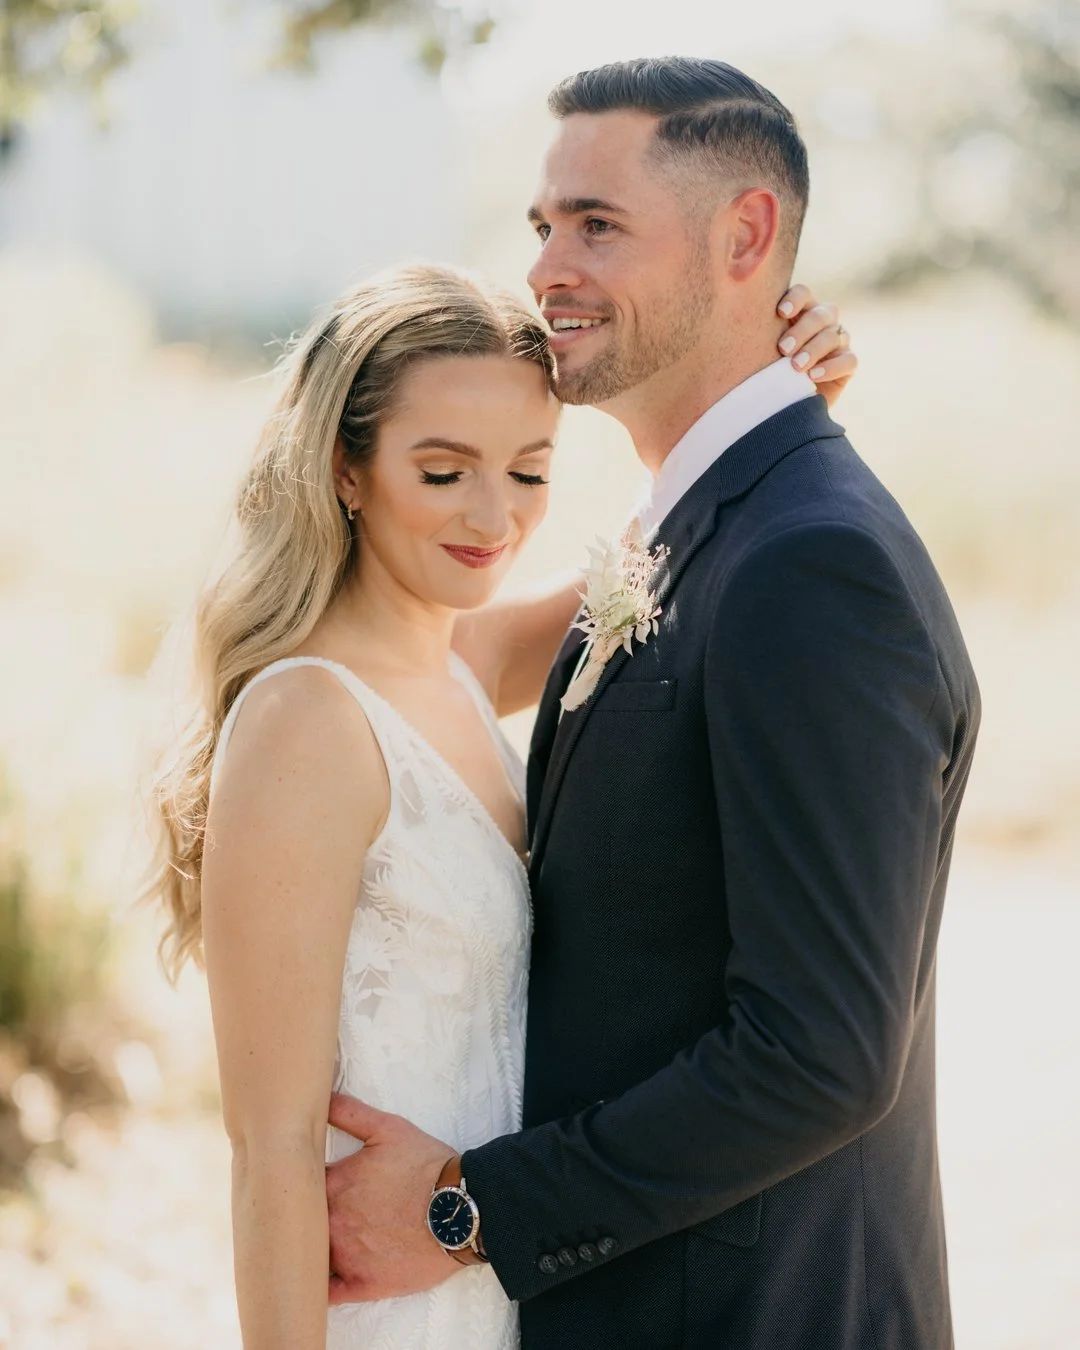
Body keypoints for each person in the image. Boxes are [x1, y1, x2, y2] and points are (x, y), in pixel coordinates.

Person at [321, 58, 980, 1350]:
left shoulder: (808, 566)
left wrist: (469, 1214)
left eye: (598, 225)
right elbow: (417, 662)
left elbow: (820, 1051)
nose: (549, 268)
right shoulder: (706, 533)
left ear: (745, 236)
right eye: (543, 226)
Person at [147, 257, 851, 1350]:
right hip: (394, 1309)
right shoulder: (308, 720)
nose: (493, 517)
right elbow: (272, 1151)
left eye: (529, 471)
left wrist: (777, 404)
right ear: (346, 466)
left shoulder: (453, 656)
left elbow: (678, 548)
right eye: (442, 472)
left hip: (495, 1272)